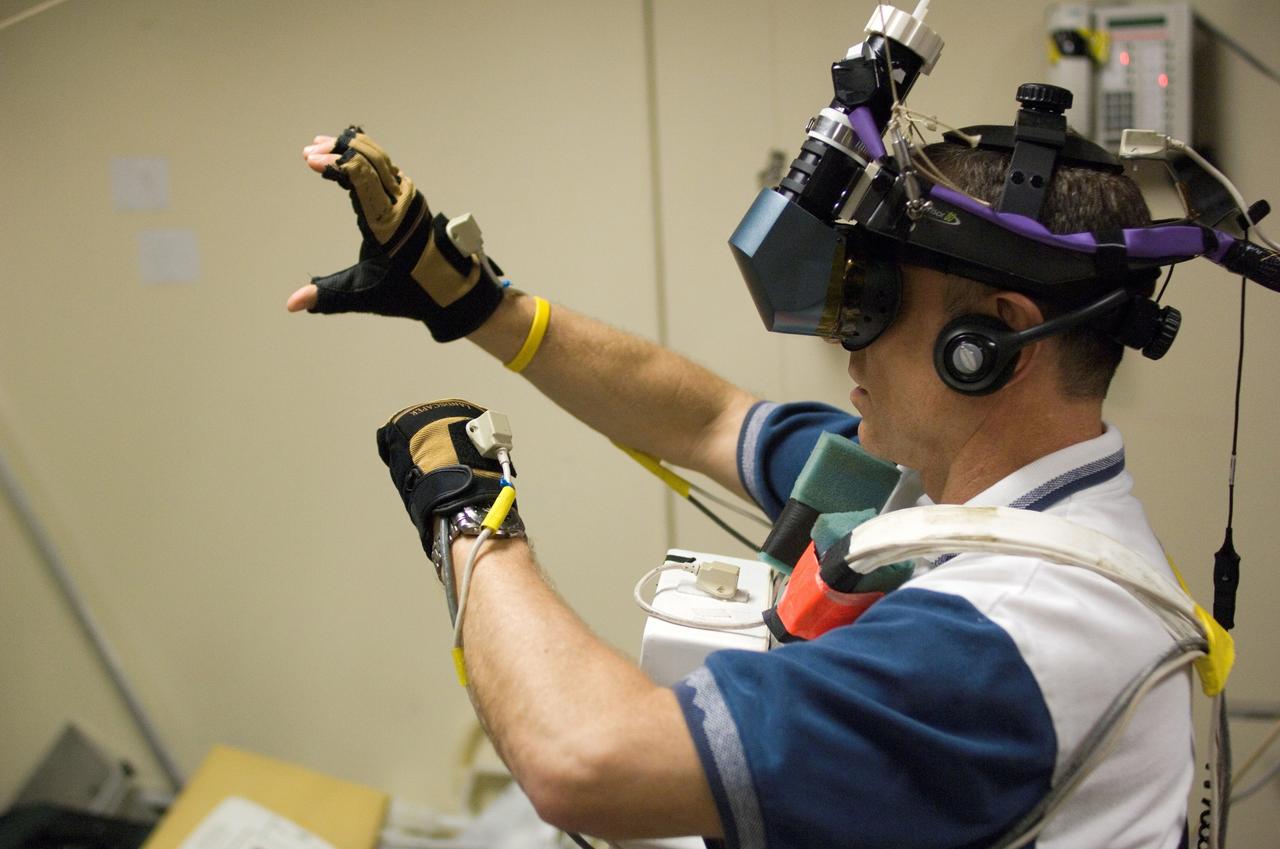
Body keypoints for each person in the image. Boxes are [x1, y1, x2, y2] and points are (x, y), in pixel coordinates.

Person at [288, 125, 1194, 848]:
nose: (848, 341)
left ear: (992, 339)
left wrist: (463, 511)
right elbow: (709, 420)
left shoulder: (1015, 631)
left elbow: (582, 761)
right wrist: (478, 304)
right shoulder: (942, 498)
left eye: (874, 300)